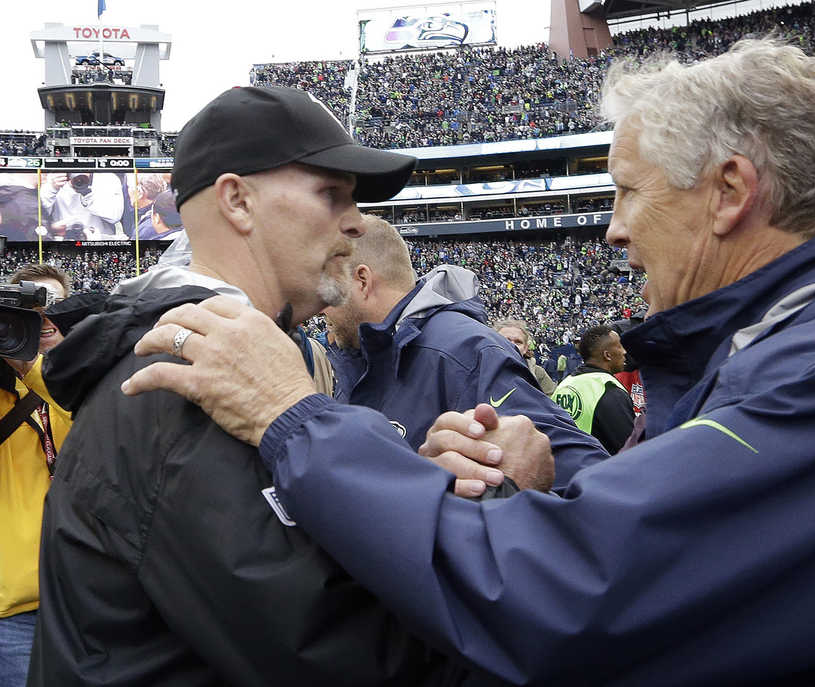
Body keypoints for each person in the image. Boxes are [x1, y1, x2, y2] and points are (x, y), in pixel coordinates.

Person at [122, 41, 815, 685]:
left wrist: (292, 417)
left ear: (730, 192)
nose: (612, 229)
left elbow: (564, 592)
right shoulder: (785, 343)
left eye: (627, 192)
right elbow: (653, 527)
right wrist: (547, 477)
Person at [29, 86, 483, 686]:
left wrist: (404, 491)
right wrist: (488, 511)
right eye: (331, 193)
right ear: (238, 201)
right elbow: (345, 655)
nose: (356, 223)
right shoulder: (183, 381)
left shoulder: (219, 358)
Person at [323, 215, 604, 495]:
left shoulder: (464, 351)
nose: (321, 307)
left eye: (330, 291)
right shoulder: (362, 357)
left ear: (362, 280)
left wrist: (475, 504)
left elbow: (583, 475)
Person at [0, 265, 72, 687]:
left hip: (83, 597)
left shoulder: (90, 384)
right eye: (29, 309)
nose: (42, 319)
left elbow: (92, 425)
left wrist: (36, 372)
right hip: (14, 611)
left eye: (52, 306)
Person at [551, 324, 634, 454]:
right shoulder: (609, 389)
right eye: (620, 346)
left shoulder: (563, 385)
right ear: (607, 355)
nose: (624, 351)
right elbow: (629, 448)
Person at [40, 171, 124, 238]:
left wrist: (86, 194)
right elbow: (39, 216)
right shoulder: (54, 178)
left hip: (97, 239)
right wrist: (52, 189)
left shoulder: (108, 178)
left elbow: (114, 216)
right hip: (65, 239)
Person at [493, 320, 556, 394]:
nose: (512, 345)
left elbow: (551, 402)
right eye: (505, 340)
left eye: (518, 342)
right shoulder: (480, 370)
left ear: (525, 348)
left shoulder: (538, 373)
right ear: (493, 342)